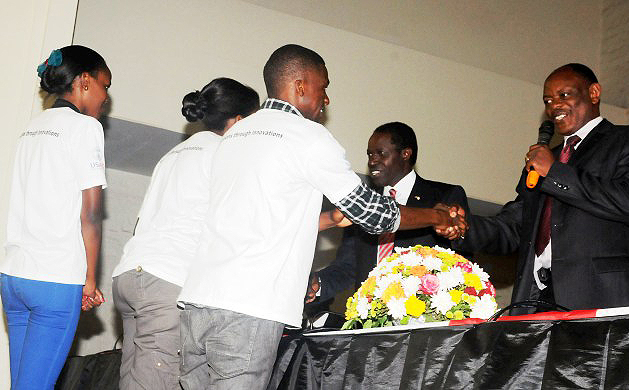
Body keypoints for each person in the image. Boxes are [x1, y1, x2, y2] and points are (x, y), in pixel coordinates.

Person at [176, 44, 465, 389]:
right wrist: (435, 216)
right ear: (301, 85)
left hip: (196, 303)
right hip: (248, 308)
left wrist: (329, 219)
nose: (325, 99)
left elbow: (260, 216)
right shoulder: (308, 137)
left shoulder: (233, 135)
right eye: (323, 87)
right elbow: (373, 215)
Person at [450, 63, 629, 314]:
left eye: (564, 95)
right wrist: (465, 227)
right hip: (536, 298)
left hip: (601, 297)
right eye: (547, 100)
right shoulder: (543, 160)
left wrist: (554, 172)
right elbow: (513, 227)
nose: (553, 105)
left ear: (594, 93)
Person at [111, 78, 259, 390]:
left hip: (129, 273)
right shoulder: (228, 153)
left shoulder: (173, 154)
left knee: (135, 377)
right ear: (241, 121)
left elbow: (142, 222)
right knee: (158, 381)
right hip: (167, 280)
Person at [1, 45, 110, 389]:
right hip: (55, 277)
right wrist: (90, 278)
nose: (106, 97)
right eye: (105, 86)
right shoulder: (85, 127)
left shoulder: (33, 128)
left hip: (14, 275)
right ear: (85, 81)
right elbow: (91, 214)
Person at [307, 122, 471, 304]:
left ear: (405, 154)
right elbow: (347, 267)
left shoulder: (443, 197)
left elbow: (460, 264)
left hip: (420, 319)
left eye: (380, 153)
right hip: (366, 320)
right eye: (369, 154)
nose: (372, 161)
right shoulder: (362, 202)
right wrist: (319, 284)